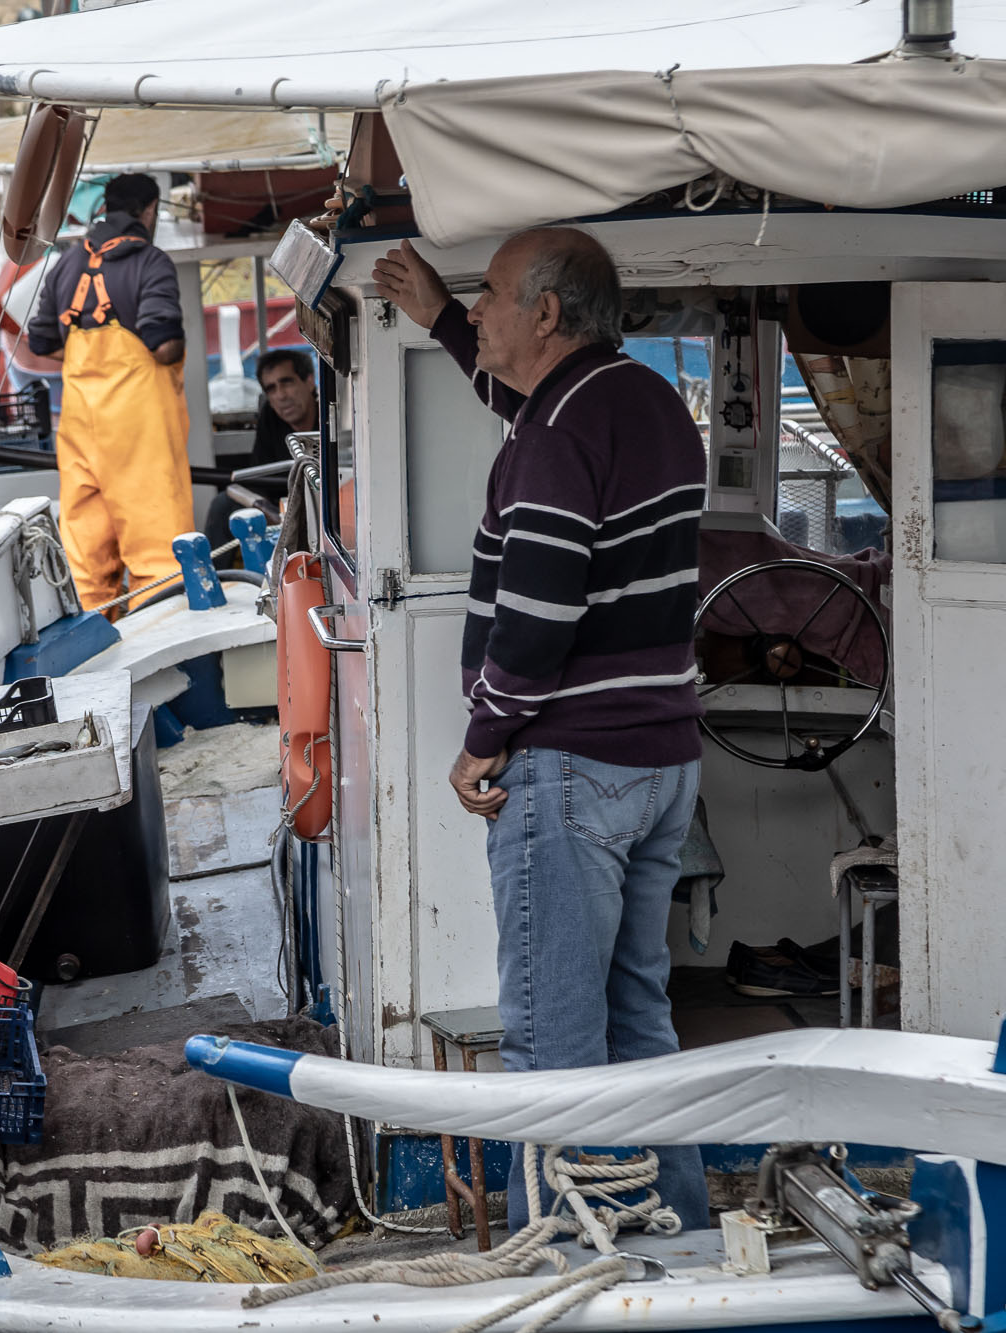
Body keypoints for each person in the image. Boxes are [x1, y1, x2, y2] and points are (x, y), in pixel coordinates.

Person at [371, 231, 711, 1232]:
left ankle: (558, 1261)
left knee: (549, 1045)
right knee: (636, 1020)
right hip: (660, 761)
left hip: (571, 768)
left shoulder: (559, 430)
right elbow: (520, 412)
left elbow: (539, 608)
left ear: (547, 313)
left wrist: (485, 733)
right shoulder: (639, 402)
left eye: (487, 300)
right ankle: (679, 1235)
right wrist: (437, 315)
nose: (475, 313)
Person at [26, 173, 192, 613]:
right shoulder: (151, 262)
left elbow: (40, 341)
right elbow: (163, 342)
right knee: (159, 560)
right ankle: (166, 659)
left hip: (80, 430)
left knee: (86, 562)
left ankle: (92, 658)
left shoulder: (65, 264)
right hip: (140, 435)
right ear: (150, 210)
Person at [204, 347, 317, 565]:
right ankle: (221, 582)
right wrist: (270, 510)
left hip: (326, 501)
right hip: (281, 502)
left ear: (310, 381)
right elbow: (259, 480)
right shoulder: (270, 416)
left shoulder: (332, 414)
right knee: (222, 505)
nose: (281, 396)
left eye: (287, 382)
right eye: (271, 389)